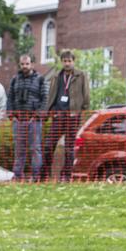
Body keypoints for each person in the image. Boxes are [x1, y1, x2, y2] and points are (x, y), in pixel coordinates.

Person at [43, 50, 89, 182]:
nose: (67, 63)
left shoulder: (81, 75)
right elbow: (51, 95)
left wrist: (83, 111)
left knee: (69, 148)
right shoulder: (57, 76)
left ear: (73, 61)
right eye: (65, 61)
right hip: (58, 116)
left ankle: (66, 175)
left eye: (69, 61)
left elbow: (86, 94)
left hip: (73, 116)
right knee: (48, 146)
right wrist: (48, 111)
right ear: (61, 62)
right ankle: (45, 174)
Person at [7, 54, 48, 182]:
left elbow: (45, 99)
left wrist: (37, 115)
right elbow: (10, 98)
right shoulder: (15, 79)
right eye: (22, 64)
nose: (25, 66)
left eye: (27, 64)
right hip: (19, 120)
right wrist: (11, 114)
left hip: (34, 120)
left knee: (35, 148)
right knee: (19, 149)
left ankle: (36, 176)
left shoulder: (40, 79)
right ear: (20, 65)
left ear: (32, 65)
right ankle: (17, 175)